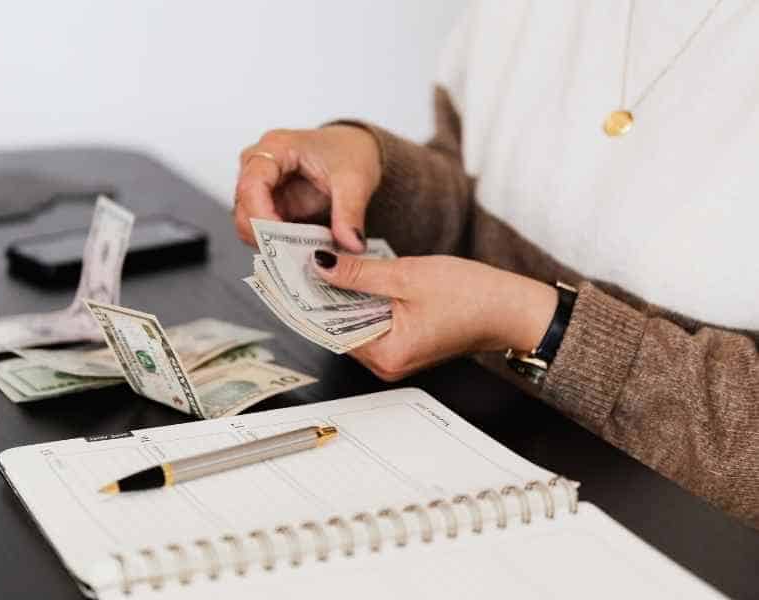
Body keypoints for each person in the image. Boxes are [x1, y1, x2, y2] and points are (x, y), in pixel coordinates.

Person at [231, 1, 759, 529]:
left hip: (681, 541)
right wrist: (373, 172)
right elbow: (478, 207)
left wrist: (541, 325)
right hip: (470, 469)